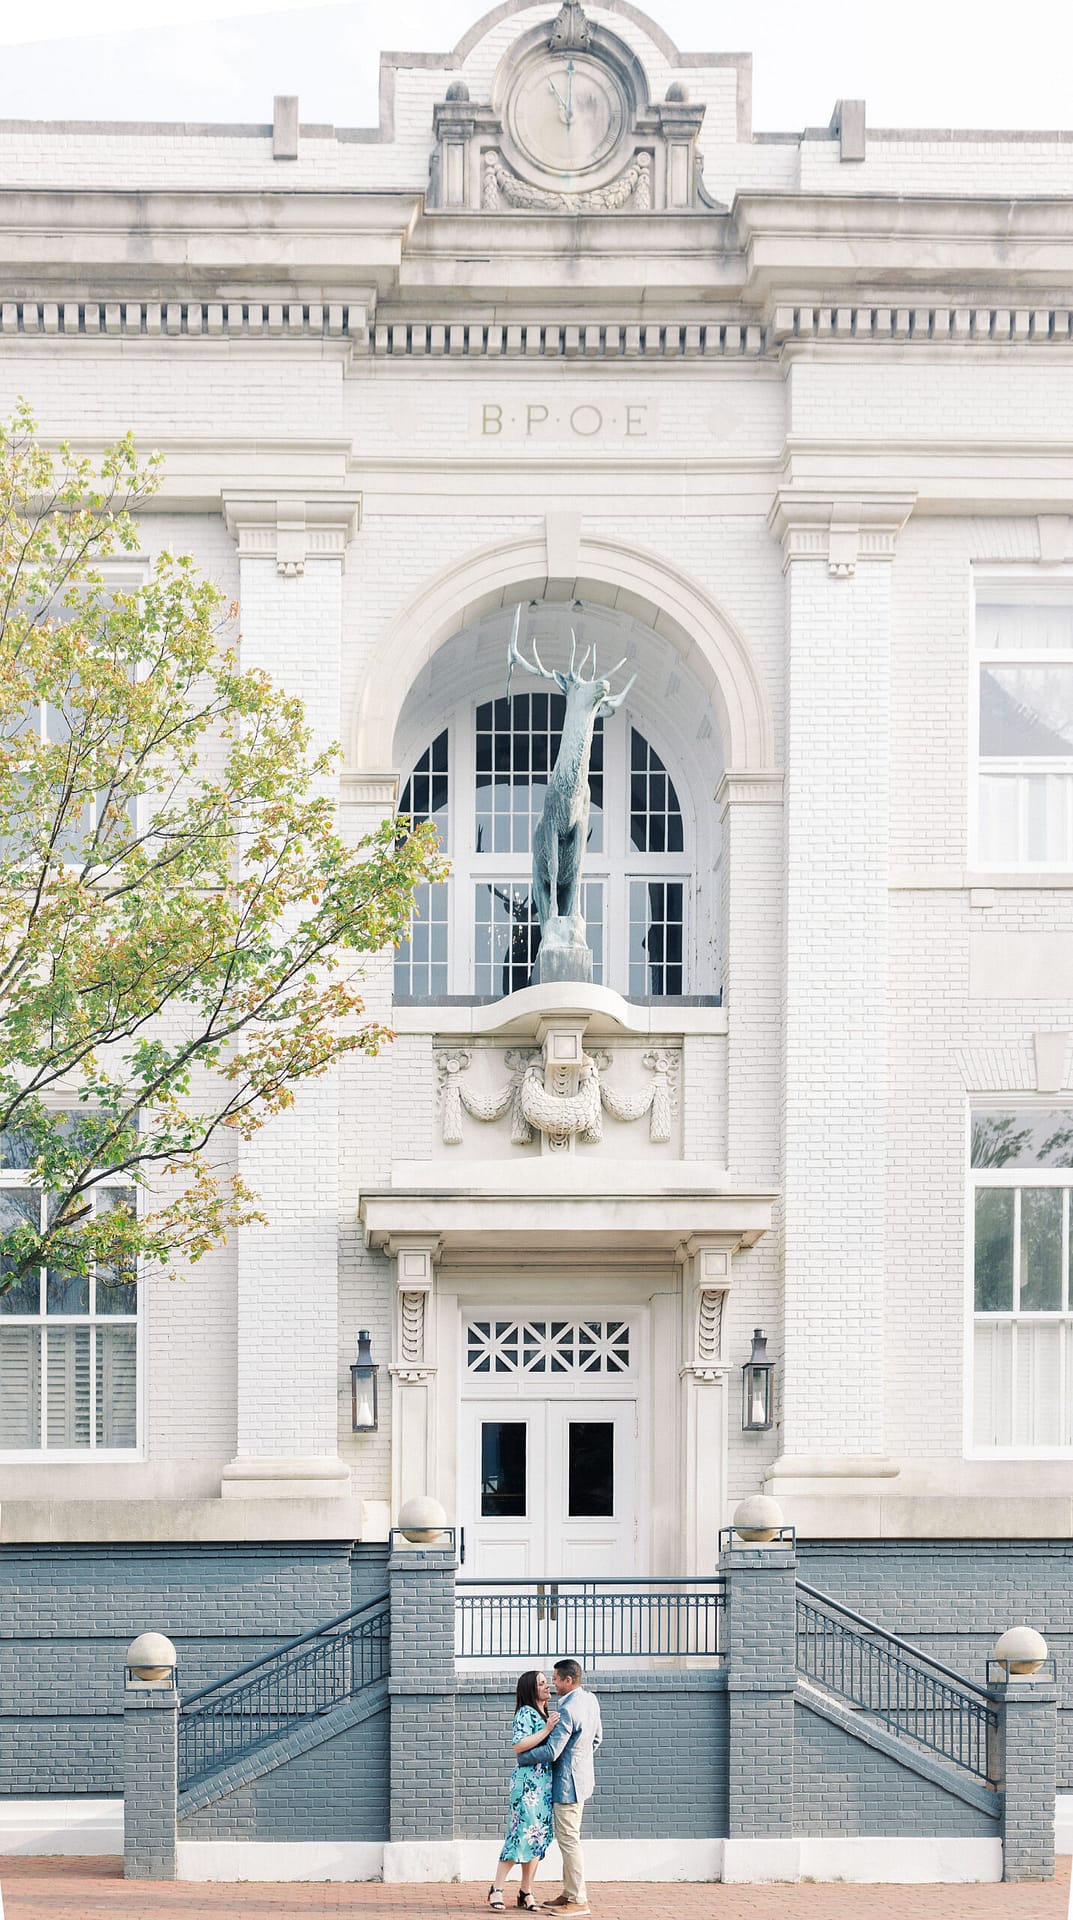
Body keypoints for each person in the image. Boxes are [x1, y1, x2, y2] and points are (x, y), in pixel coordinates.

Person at [514, 1658, 602, 1918]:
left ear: (568, 1680)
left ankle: (578, 1900)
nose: (552, 1684)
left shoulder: (566, 1710)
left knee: (569, 1842)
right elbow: (596, 1739)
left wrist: (522, 1756)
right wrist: (578, 1761)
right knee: (569, 1840)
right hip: (583, 1781)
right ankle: (568, 1893)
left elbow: (553, 1751)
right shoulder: (590, 1700)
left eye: (555, 1679)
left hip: (567, 1786)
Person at [487, 1669, 560, 1912]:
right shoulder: (525, 1713)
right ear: (531, 1689)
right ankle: (496, 1888)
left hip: (544, 1785)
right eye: (541, 1683)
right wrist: (548, 1730)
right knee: (520, 1835)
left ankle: (526, 1890)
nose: (548, 1686)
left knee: (537, 1837)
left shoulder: (543, 1712)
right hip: (528, 1785)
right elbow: (518, 1746)